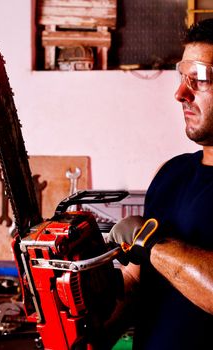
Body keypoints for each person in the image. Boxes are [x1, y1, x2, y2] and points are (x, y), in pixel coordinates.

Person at [104, 18, 213, 350]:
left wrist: (151, 243)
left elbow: (149, 248)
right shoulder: (171, 174)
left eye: (200, 80)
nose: (180, 93)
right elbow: (135, 282)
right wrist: (88, 327)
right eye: (182, 78)